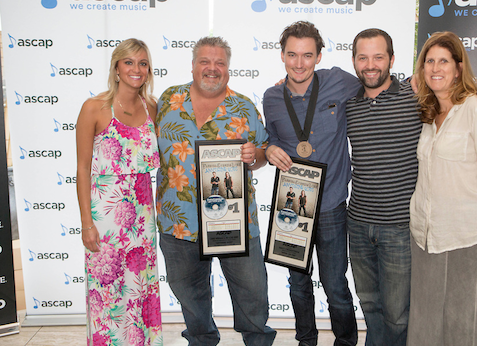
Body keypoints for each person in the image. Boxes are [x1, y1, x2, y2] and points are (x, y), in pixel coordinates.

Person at [345, 28, 477, 346]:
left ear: (392, 59)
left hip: (402, 228)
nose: (371, 64)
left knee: (401, 314)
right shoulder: (352, 104)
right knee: (371, 306)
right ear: (354, 61)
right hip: (360, 223)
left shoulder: (415, 100)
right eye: (363, 57)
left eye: (379, 56)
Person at [155, 36, 276, 345]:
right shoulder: (168, 100)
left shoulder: (244, 108)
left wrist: (254, 156)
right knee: (192, 303)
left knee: (253, 297)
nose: (212, 68)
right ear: (193, 65)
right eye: (205, 62)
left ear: (228, 68)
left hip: (233, 223)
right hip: (179, 224)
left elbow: (263, 152)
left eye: (220, 62)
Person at [407, 31, 477, 346]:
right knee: (423, 322)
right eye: (429, 61)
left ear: (458, 67)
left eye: (443, 61)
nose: (436, 68)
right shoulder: (427, 111)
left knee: (462, 324)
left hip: (466, 235)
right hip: (424, 235)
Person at [264, 21, 361, 346]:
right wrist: (269, 148)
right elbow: (272, 140)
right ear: (282, 55)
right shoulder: (272, 96)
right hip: (291, 205)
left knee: (335, 287)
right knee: (298, 285)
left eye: (307, 55)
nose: (299, 63)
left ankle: (346, 342)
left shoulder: (340, 82)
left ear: (319, 56)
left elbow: (380, 83)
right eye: (292, 55)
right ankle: (306, 341)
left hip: (332, 204)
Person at [76, 38, 162, 346]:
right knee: (108, 296)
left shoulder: (153, 108)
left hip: (142, 218)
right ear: (116, 68)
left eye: (142, 63)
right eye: (129, 62)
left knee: (140, 293)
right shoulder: (95, 108)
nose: (136, 69)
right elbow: (83, 169)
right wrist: (87, 223)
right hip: (106, 219)